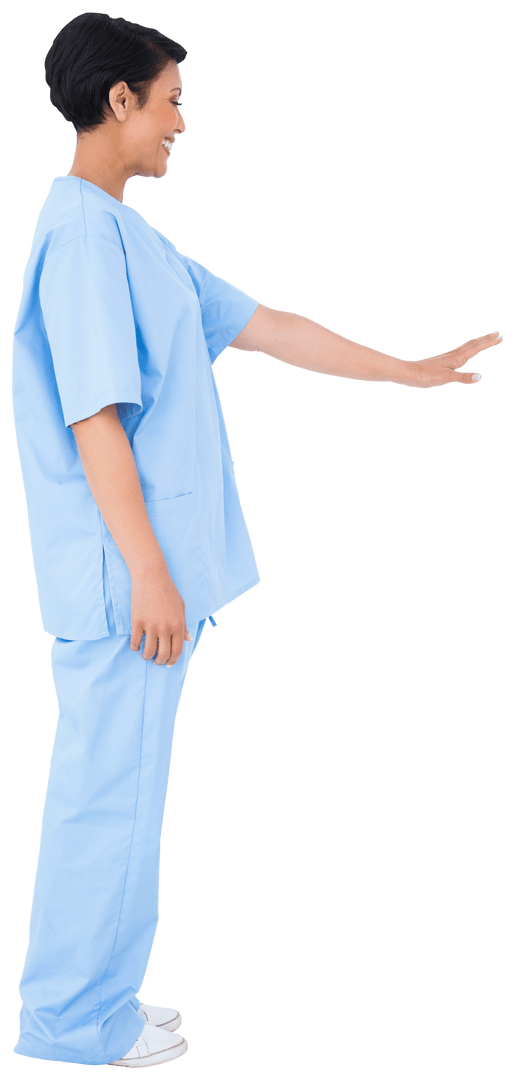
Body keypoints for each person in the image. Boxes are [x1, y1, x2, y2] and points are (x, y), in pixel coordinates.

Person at [10, 10, 503, 1072]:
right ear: (119, 100)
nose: (182, 123)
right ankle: (69, 1024)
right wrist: (150, 572)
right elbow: (94, 419)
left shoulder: (132, 240)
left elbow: (269, 327)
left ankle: (99, 1000)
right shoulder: (83, 241)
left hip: (147, 583)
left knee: (124, 797)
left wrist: (408, 370)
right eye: (171, 101)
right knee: (106, 803)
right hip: (126, 588)